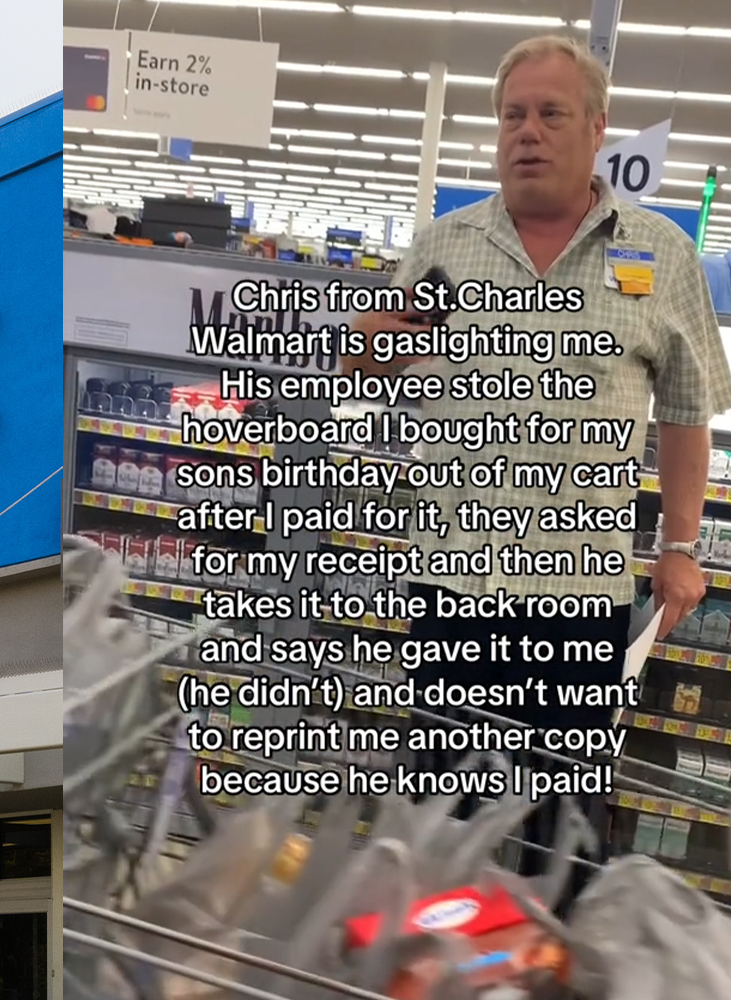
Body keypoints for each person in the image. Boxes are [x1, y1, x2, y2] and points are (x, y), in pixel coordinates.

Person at [348, 36, 731, 888]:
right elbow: (370, 367)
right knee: (442, 827)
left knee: (569, 839)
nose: (528, 131)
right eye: (513, 114)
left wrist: (680, 546)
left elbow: (685, 410)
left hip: (579, 606)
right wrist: (368, 350)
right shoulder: (443, 245)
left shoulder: (662, 255)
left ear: (596, 130)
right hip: (455, 592)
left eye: (551, 114)